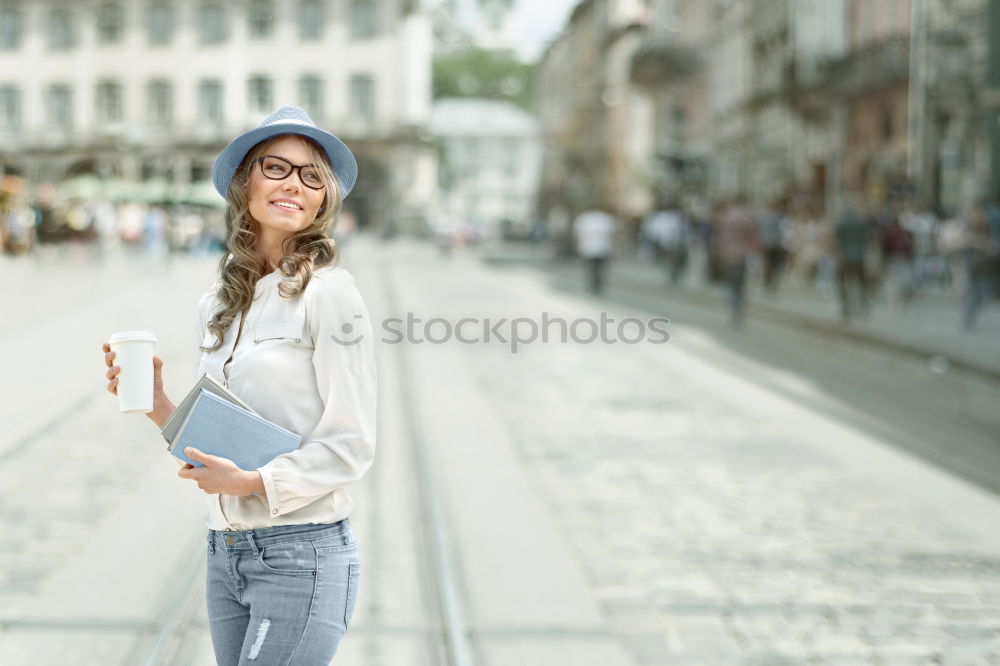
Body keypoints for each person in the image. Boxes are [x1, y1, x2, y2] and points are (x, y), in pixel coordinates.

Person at [101, 106, 376, 665]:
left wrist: (251, 482)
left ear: (323, 199)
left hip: (302, 552)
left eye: (311, 175)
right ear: (243, 182)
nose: (294, 184)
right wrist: (159, 406)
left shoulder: (331, 294)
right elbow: (225, 432)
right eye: (276, 167)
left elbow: (352, 447)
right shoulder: (219, 301)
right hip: (225, 550)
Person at [715, 198, 757, 328]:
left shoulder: (725, 218)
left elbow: (720, 238)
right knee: (740, 285)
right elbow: (753, 238)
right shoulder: (746, 218)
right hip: (742, 256)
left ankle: (734, 309)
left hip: (729, 256)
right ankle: (739, 308)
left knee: (731, 285)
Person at [574, 206, 616, 294]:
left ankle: (594, 284)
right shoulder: (605, 218)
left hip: (591, 248)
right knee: (599, 268)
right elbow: (611, 235)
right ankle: (597, 284)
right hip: (600, 248)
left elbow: (579, 235)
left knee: (592, 268)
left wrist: (579, 246)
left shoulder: (584, 218)